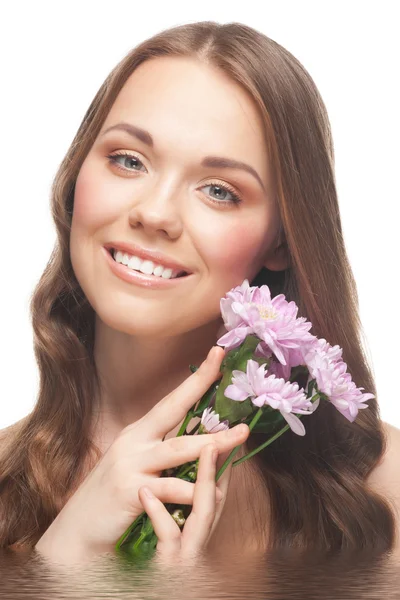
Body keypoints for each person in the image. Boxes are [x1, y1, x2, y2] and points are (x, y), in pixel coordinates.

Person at [0, 21, 399, 567]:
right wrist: (61, 567)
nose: (155, 213)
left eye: (219, 191)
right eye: (128, 160)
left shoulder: (382, 488)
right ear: (75, 176)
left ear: (282, 239)